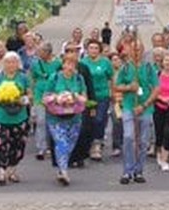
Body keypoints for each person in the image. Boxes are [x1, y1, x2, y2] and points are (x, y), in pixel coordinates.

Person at [115, 39, 159, 185]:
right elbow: (117, 85)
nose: (136, 52)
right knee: (128, 137)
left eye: (139, 49)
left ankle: (138, 170)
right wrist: (128, 87)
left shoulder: (149, 67)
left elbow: (156, 89)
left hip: (145, 108)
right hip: (128, 106)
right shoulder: (126, 67)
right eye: (134, 49)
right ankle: (127, 170)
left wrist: (145, 105)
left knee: (143, 140)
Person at [44, 53, 87, 186]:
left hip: (74, 117)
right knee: (61, 143)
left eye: (73, 64)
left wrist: (74, 96)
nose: (70, 67)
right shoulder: (55, 78)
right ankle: (64, 171)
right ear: (63, 64)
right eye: (67, 63)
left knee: (70, 144)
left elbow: (84, 98)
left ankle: (61, 168)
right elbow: (45, 97)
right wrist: (58, 98)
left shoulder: (79, 79)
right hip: (56, 117)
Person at [0, 51, 30, 185]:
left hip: (19, 116)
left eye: (13, 62)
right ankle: (1, 172)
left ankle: (12, 170)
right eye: (7, 62)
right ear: (3, 64)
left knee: (17, 145)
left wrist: (22, 99)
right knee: (0, 144)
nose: (10, 65)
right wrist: (1, 97)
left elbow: (30, 95)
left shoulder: (23, 77)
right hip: (0, 116)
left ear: (18, 64)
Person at [80, 39, 113, 161]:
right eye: (91, 48)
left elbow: (111, 77)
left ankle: (97, 144)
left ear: (99, 50)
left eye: (95, 48)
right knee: (88, 121)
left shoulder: (105, 62)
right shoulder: (83, 63)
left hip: (102, 95)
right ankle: (87, 144)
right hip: (87, 97)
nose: (93, 50)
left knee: (99, 120)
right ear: (87, 50)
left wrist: (112, 92)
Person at [31, 42, 62, 160]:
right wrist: (32, 95)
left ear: (48, 52)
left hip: (53, 94)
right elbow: (33, 78)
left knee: (53, 121)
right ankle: (41, 147)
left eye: (41, 51)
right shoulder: (35, 64)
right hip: (39, 94)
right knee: (41, 120)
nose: (39, 53)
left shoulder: (57, 63)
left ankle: (52, 145)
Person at [110, 52, 124, 157]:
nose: (116, 62)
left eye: (118, 59)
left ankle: (125, 143)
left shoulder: (126, 72)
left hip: (126, 100)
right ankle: (116, 146)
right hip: (114, 100)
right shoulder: (109, 74)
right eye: (114, 60)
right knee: (117, 121)